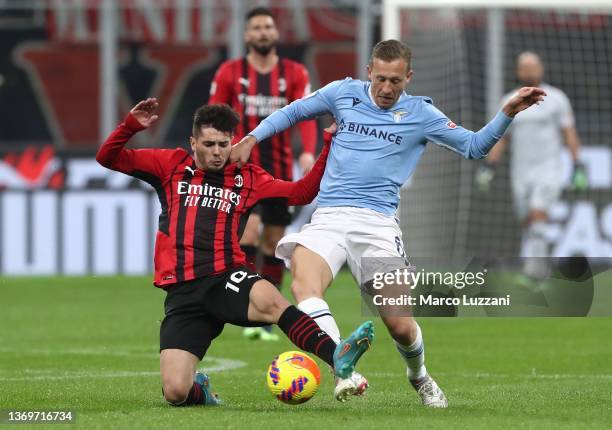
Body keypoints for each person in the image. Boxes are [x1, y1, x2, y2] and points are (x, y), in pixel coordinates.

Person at [230, 40, 546, 407]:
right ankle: (342, 367)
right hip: (329, 216)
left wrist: (507, 111)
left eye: (395, 81)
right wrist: (253, 138)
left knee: (399, 324)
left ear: (408, 77)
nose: (386, 88)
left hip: (377, 224)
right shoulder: (342, 93)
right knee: (305, 285)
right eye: (380, 79)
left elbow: (475, 147)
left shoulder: (421, 114)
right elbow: (292, 113)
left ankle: (420, 376)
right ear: (369, 73)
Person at [96, 99, 373, 406]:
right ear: (193, 142)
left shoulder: (248, 177)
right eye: (209, 144)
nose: (217, 152)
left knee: (271, 301)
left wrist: (327, 145)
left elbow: (302, 193)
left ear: (234, 142)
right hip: (184, 293)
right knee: (175, 392)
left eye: (224, 144)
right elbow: (107, 157)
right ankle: (201, 391)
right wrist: (130, 126)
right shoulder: (170, 165)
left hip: (225, 277)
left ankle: (337, 357)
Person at [209, 7, 317, 341]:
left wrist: (308, 151)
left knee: (272, 241)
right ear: (246, 35)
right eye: (256, 27)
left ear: (275, 33)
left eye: (268, 27)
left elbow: (308, 114)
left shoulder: (294, 72)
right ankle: (244, 304)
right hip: (241, 171)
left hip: (279, 171)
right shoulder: (230, 72)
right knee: (249, 235)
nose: (263, 32)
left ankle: (266, 317)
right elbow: (214, 115)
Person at [476, 51, 586, 284]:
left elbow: (569, 133)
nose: (529, 71)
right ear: (518, 72)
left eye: (532, 66)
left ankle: (536, 273)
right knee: (529, 221)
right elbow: (501, 137)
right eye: (524, 67)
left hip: (549, 168)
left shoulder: (556, 98)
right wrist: (489, 166)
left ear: (540, 69)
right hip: (521, 172)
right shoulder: (509, 100)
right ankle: (536, 268)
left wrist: (578, 165)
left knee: (538, 213)